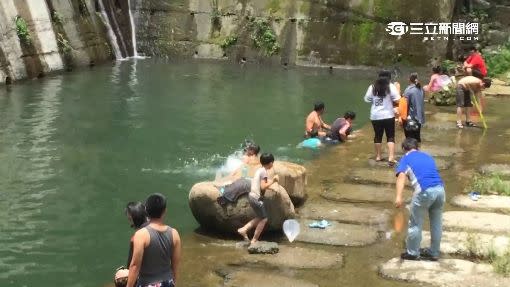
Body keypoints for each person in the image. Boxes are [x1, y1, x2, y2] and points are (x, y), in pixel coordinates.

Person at [395, 138, 445, 261]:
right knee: (436, 222)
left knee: (415, 223)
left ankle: (412, 252)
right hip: (440, 190)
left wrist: (398, 196)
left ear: (403, 149)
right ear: (418, 148)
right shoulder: (427, 156)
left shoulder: (405, 158)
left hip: (424, 190)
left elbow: (401, 177)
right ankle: (434, 252)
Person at [127, 194, 182, 287]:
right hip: (168, 282)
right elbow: (175, 263)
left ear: (146, 210)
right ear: (165, 211)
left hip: (147, 283)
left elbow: (135, 266)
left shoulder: (141, 235)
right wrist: (173, 282)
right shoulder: (174, 233)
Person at [237, 153, 279, 245]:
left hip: (251, 196)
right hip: (256, 198)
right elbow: (263, 187)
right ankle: (254, 240)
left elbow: (259, 185)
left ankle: (243, 229)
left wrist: (271, 186)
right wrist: (274, 181)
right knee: (264, 219)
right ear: (271, 163)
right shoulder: (264, 172)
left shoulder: (259, 170)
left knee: (260, 217)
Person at [364, 71, 400, 165]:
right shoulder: (391, 86)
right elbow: (397, 98)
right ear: (389, 78)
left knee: (377, 136)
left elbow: (367, 99)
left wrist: (375, 99)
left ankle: (378, 156)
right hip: (388, 115)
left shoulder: (372, 87)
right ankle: (391, 157)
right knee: (390, 136)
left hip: (375, 116)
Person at [115, 202, 150, 287]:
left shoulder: (136, 238)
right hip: (164, 276)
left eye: (129, 219)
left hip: (146, 280)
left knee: (119, 277)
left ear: (133, 219)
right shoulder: (161, 230)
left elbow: (133, 266)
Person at [403, 73, 425, 142]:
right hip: (419, 117)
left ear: (409, 79)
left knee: (410, 139)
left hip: (411, 117)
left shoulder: (408, 90)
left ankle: (412, 151)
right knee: (417, 137)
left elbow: (405, 104)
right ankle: (418, 150)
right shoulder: (420, 89)